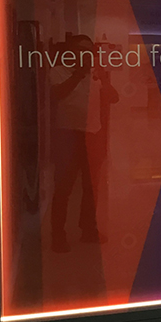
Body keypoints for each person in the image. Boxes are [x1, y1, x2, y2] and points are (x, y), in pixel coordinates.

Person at [48, 34, 118, 253]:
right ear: (71, 51)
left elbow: (114, 98)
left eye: (90, 50)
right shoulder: (58, 70)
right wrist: (79, 73)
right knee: (64, 187)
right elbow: (57, 94)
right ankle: (58, 235)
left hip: (92, 135)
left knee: (91, 187)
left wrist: (104, 79)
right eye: (81, 49)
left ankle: (88, 230)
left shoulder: (96, 73)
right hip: (67, 136)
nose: (86, 53)